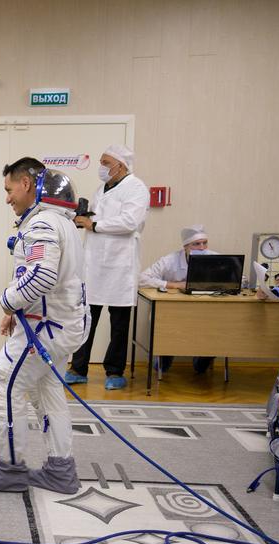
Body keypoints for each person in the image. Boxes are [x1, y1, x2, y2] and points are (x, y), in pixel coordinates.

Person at [0, 159, 87, 494]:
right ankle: (60, 469)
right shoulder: (61, 222)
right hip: (61, 325)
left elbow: (42, 276)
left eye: (9, 190)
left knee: (6, 379)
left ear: (26, 184)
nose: (7, 198)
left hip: (48, 327)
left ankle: (10, 469)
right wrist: (17, 309)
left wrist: (7, 301)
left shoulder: (42, 225)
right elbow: (44, 276)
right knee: (47, 391)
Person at [68, 145, 149, 390]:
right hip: (94, 264)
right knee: (86, 318)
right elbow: (96, 220)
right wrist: (83, 220)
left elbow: (129, 221)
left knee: (119, 323)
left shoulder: (136, 188)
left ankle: (115, 371)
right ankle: (78, 368)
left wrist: (95, 224)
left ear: (120, 165)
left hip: (119, 265)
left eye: (105, 162)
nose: (101, 167)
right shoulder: (101, 189)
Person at [138, 224, 218, 374]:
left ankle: (203, 359)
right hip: (174, 314)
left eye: (204, 243)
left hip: (205, 314)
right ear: (186, 247)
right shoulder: (170, 260)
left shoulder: (215, 258)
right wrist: (173, 284)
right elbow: (142, 279)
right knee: (169, 328)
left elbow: (237, 278)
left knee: (217, 329)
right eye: (196, 244)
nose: (202, 248)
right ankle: (165, 355)